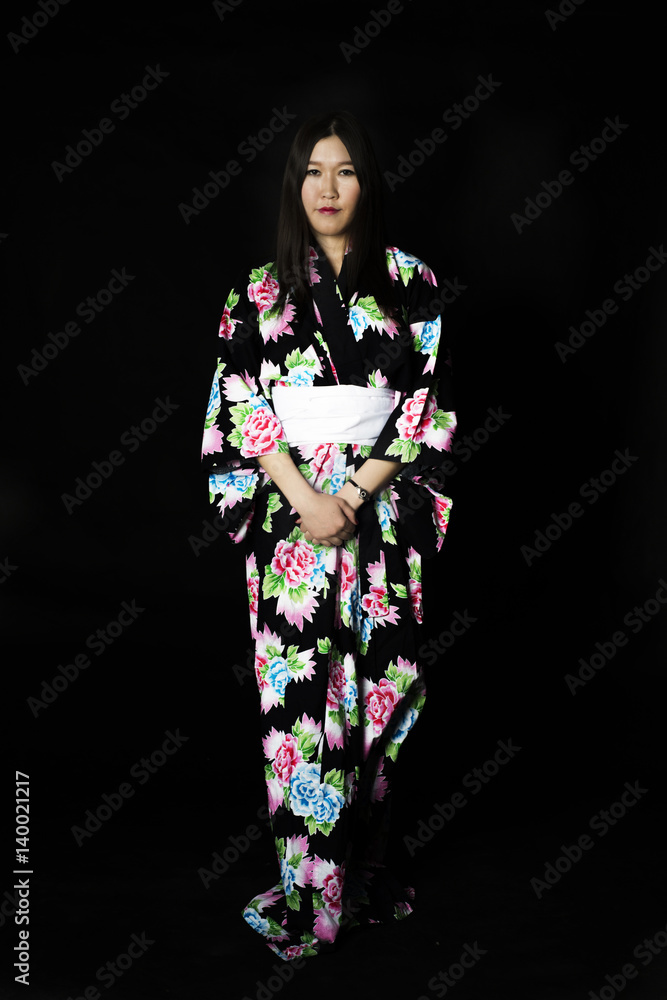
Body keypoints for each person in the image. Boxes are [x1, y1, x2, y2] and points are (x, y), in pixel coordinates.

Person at [201, 109, 457, 961]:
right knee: (301, 712)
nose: (327, 188)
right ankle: (312, 895)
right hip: (291, 532)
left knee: (377, 708)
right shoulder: (258, 291)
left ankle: (363, 877)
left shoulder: (413, 282)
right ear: (293, 185)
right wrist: (306, 497)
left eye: (344, 171)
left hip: (377, 520)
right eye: (312, 172)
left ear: (366, 182)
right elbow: (238, 405)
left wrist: (348, 491)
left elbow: (424, 410)